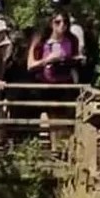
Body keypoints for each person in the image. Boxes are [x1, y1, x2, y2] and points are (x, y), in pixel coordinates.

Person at [27, 9, 81, 154]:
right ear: (51, 24)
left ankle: (64, 151)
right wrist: (48, 60)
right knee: (52, 118)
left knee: (65, 119)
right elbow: (30, 65)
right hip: (45, 84)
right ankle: (53, 150)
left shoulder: (72, 41)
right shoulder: (41, 41)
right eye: (58, 22)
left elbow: (76, 60)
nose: (62, 25)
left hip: (66, 83)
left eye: (65, 22)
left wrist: (71, 61)